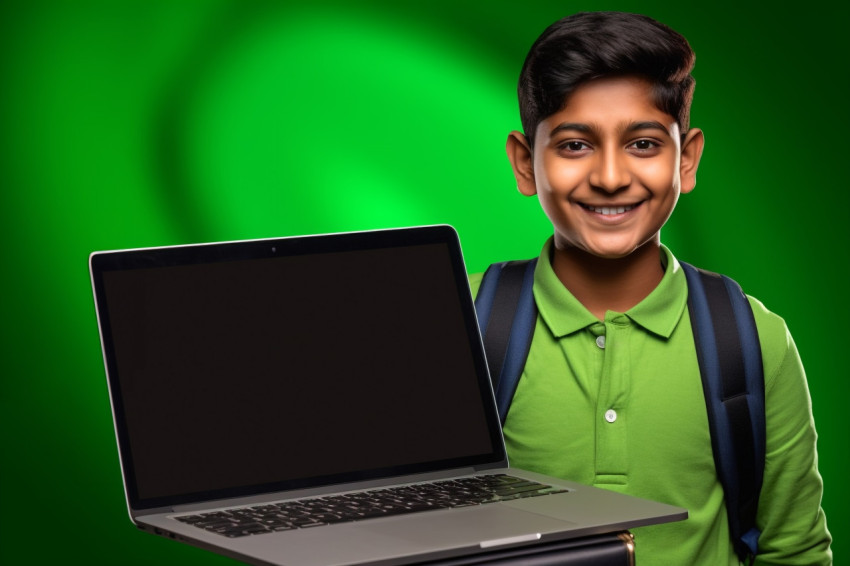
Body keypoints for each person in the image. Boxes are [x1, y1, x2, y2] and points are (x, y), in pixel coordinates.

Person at [470, 11, 832, 565]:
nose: (611, 176)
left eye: (643, 144)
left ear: (686, 160)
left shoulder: (754, 341)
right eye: (574, 145)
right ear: (525, 164)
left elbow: (794, 551)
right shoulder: (454, 318)